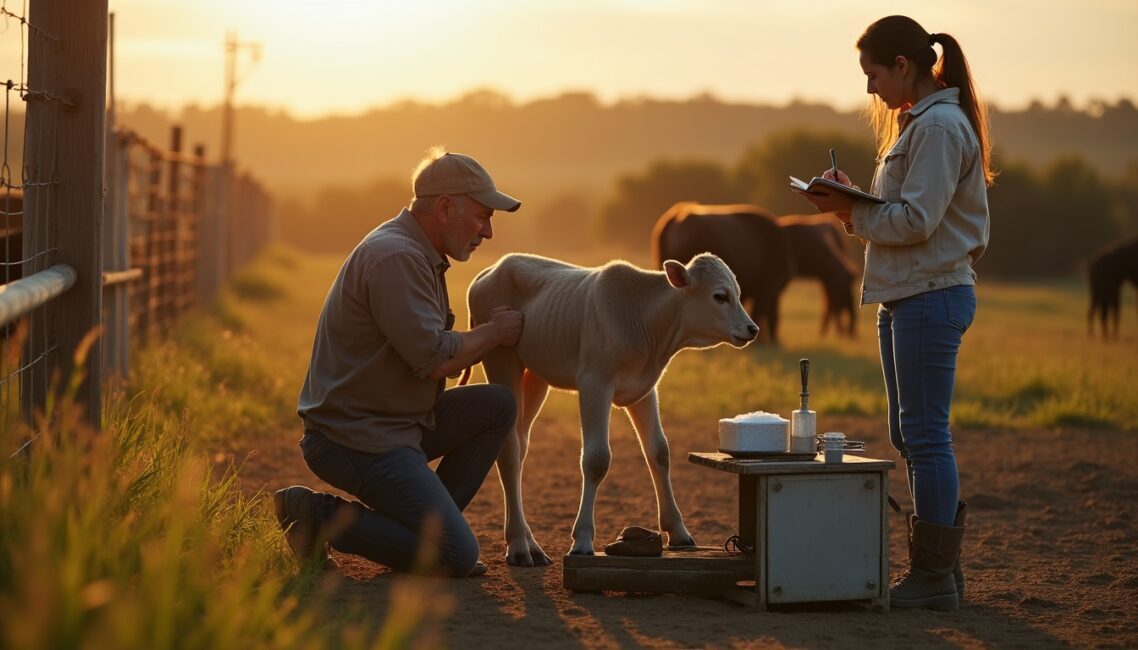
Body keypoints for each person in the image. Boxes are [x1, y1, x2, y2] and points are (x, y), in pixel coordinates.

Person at [794, 15, 993, 610]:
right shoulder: (921, 125)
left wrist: (849, 212)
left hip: (930, 294)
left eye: (873, 74)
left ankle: (933, 579)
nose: (869, 88)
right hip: (907, 293)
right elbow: (902, 213)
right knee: (911, 435)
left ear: (903, 66)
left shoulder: (939, 128)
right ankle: (942, 573)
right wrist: (850, 200)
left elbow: (915, 221)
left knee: (926, 437)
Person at [274, 148, 525, 578]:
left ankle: (423, 530)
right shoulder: (397, 257)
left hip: (394, 422)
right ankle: (313, 514)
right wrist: (493, 334)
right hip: (355, 436)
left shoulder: (414, 250)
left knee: (497, 405)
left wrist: (469, 343)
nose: (488, 232)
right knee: (456, 556)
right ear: (444, 208)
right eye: (483, 216)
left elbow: (428, 349)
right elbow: (432, 358)